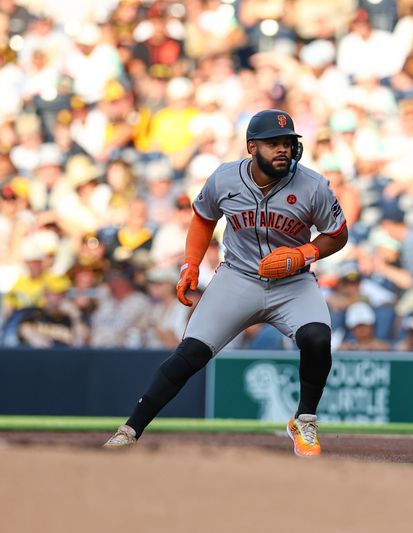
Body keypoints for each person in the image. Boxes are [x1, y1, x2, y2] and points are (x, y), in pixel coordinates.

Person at [104, 110, 348, 457]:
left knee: (318, 338)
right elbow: (204, 218)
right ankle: (130, 429)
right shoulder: (225, 178)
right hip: (238, 277)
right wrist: (191, 263)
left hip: (292, 282)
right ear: (252, 147)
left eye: (288, 143)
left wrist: (306, 252)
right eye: (273, 143)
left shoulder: (312, 185)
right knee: (190, 354)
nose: (283, 149)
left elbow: (338, 235)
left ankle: (304, 419)